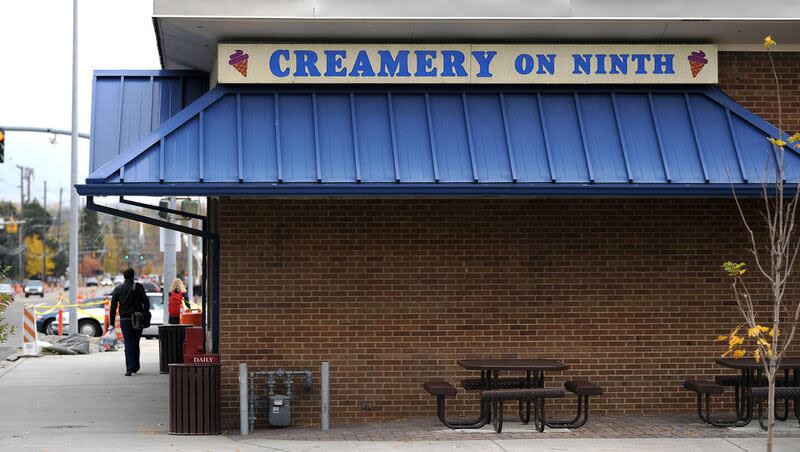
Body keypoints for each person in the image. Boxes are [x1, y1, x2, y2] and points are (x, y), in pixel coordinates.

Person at [109, 268, 150, 376]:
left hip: (125, 320)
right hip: (137, 318)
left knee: (128, 343)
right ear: (133, 276)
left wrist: (112, 323)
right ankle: (136, 366)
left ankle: (129, 368)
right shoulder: (139, 287)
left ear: (124, 276)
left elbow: (113, 307)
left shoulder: (118, 289)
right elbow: (146, 303)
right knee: (136, 342)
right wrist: (144, 312)